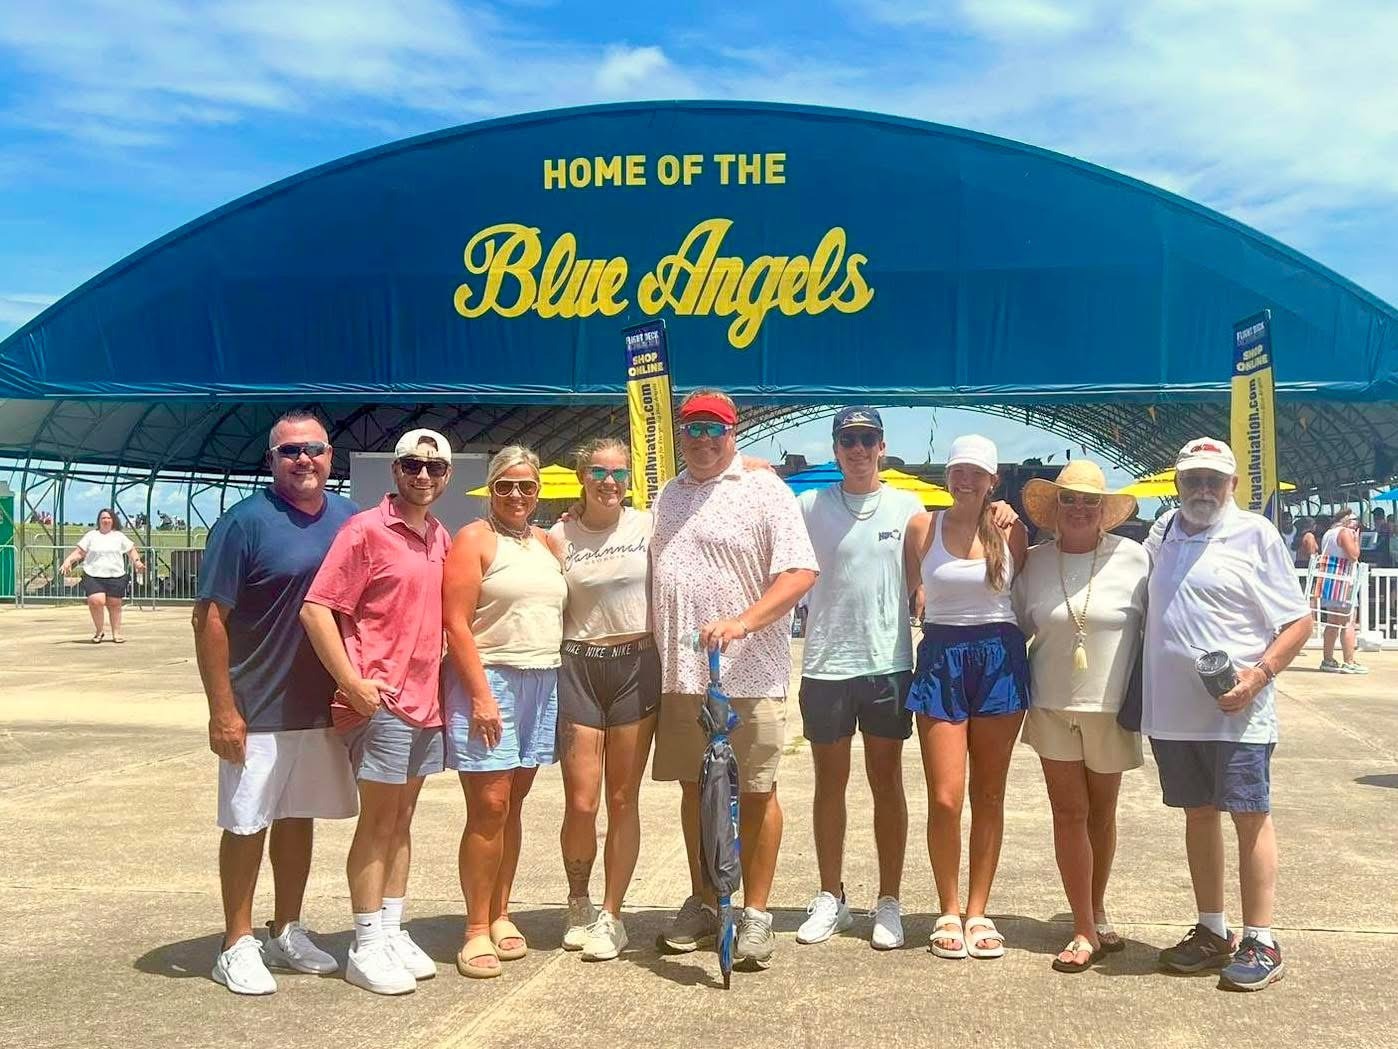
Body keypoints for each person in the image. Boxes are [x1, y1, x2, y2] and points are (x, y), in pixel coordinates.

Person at [650, 388, 818, 971]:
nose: (700, 440)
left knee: (755, 791)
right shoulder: (668, 494)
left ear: (732, 431)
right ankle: (703, 900)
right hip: (682, 674)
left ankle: (756, 913)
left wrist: (743, 622)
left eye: (711, 429)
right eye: (691, 429)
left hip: (747, 675)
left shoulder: (764, 489)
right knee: (694, 791)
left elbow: (799, 573)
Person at [192, 411, 359, 995]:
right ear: (271, 461)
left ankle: (287, 928)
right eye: (289, 452)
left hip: (322, 706)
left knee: (298, 816)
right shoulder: (243, 524)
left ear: (330, 456)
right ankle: (235, 942)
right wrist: (222, 708)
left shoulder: (348, 519)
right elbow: (211, 618)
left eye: (313, 449)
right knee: (246, 822)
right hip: (256, 704)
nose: (303, 460)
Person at [1144, 438, 1312, 992]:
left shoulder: (1255, 534)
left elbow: (1297, 622)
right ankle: (1213, 929)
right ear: (1177, 483)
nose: (1202, 490)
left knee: (1249, 815)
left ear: (1233, 485)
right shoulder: (1162, 531)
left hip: (1236, 711)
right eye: (1192, 479)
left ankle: (1260, 938)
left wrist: (1259, 675)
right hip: (1173, 713)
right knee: (1197, 815)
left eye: (1214, 480)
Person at [300, 429, 453, 995]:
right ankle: (364, 943)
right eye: (413, 466)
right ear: (395, 472)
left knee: (403, 820)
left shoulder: (438, 536)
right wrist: (352, 682)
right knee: (379, 820)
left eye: (434, 469)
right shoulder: (365, 530)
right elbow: (317, 610)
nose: (423, 476)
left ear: (446, 477)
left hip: (425, 701)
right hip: (382, 699)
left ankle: (390, 927)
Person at [792, 407, 923, 950]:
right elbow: (757, 508)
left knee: (886, 783)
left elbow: (951, 546)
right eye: (849, 439)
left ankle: (889, 901)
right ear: (835, 447)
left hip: (886, 664)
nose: (859, 449)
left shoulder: (908, 507)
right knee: (830, 785)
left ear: (882, 447)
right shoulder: (808, 504)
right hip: (824, 664)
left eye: (868, 439)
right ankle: (831, 896)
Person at [1015, 461, 1147, 972]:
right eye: (1069, 500)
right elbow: (1010, 621)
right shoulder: (1033, 562)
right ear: (1054, 508)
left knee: (1103, 813)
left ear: (1103, 510)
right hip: (1050, 704)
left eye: (1089, 501)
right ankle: (1082, 927)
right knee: (1068, 814)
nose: (1079, 509)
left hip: (1111, 708)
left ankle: (1096, 904)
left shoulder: (1135, 558)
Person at [903, 434, 1029, 960]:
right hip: (941, 655)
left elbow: (1024, 587)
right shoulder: (922, 526)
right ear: (948, 476)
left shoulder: (1010, 527)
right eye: (959, 471)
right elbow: (915, 592)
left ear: (993, 480)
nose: (967, 480)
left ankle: (979, 910)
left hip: (999, 654)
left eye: (977, 472)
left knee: (990, 795)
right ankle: (948, 908)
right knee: (945, 797)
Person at [442, 446, 567, 979]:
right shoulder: (474, 539)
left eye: (526, 486)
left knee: (514, 803)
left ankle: (501, 912)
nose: (517, 495)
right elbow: (456, 622)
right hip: (491, 678)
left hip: (544, 678)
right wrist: (479, 695)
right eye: (506, 486)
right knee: (488, 805)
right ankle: (474, 928)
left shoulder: (545, 543)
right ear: (490, 489)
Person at [546, 438, 658, 961]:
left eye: (618, 471)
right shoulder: (558, 535)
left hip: (636, 666)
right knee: (582, 801)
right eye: (599, 471)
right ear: (580, 476)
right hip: (579, 668)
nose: (609, 481)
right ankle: (579, 902)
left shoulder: (650, 525)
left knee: (621, 800)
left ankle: (613, 915)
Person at [59, 507, 145, 642]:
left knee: (114, 604)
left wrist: (137, 562)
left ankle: (116, 633)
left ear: (113, 521)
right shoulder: (91, 536)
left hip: (115, 574)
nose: (106, 520)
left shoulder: (119, 536)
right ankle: (99, 631)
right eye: (103, 518)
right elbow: (80, 552)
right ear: (99, 521)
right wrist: (68, 560)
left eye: (108, 518)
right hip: (94, 574)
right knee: (96, 601)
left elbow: (131, 550)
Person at [1318, 509, 1367, 674]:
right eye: (1354, 519)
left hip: (1329, 581)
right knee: (1348, 622)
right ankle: (1349, 660)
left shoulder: (1328, 534)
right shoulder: (1345, 533)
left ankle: (1328, 659)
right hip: (1343, 582)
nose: (1356, 523)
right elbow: (1354, 555)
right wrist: (1357, 540)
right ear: (1345, 520)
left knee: (1332, 622)